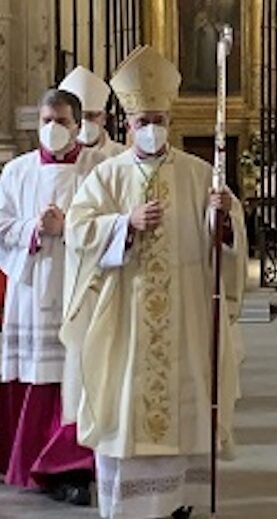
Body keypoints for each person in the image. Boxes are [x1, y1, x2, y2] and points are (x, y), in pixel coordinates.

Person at [59, 45, 247, 519]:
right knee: (127, 404)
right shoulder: (106, 176)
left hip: (184, 312)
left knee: (183, 398)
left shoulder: (200, 174)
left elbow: (224, 244)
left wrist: (222, 220)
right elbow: (79, 230)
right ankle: (131, 504)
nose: (150, 129)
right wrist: (124, 224)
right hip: (126, 314)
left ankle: (178, 499)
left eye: (158, 119)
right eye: (142, 121)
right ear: (128, 126)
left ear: (171, 121)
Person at [0, 89, 105, 505]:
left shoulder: (99, 168)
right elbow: (2, 223)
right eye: (46, 120)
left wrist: (69, 228)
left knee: (74, 378)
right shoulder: (17, 172)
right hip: (32, 286)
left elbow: (112, 226)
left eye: (61, 121)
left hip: (80, 288)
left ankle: (70, 467)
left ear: (79, 125)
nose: (52, 128)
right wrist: (33, 228)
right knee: (35, 376)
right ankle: (23, 460)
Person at [59, 65, 127, 157]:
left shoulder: (122, 155)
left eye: (91, 115)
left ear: (104, 118)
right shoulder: (58, 158)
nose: (84, 122)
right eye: (78, 117)